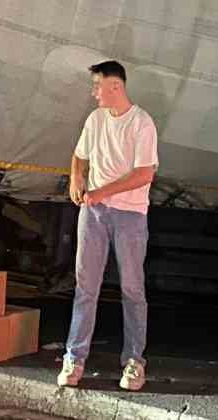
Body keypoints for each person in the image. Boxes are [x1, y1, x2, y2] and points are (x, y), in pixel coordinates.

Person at [60, 60, 159, 392]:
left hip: (130, 215)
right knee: (86, 286)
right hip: (95, 213)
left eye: (97, 85)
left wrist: (103, 190)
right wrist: (76, 177)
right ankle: (74, 357)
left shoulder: (142, 123)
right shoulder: (95, 119)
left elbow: (144, 173)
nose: (94, 92)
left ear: (116, 86)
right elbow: (80, 154)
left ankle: (134, 361)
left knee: (132, 288)